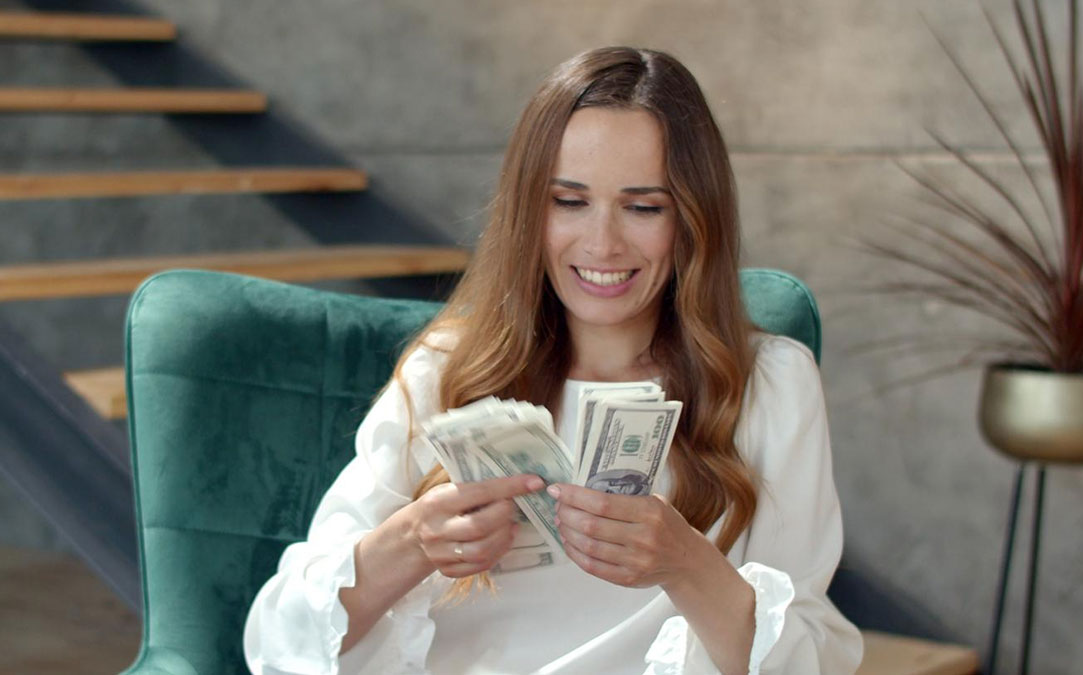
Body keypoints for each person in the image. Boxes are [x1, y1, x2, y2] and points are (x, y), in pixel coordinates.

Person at [243, 46, 863, 674]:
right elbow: (277, 638)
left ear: (695, 221)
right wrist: (413, 541)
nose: (601, 243)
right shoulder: (445, 371)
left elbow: (813, 661)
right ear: (527, 212)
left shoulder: (771, 386)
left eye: (644, 207)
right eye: (569, 201)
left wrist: (687, 564)